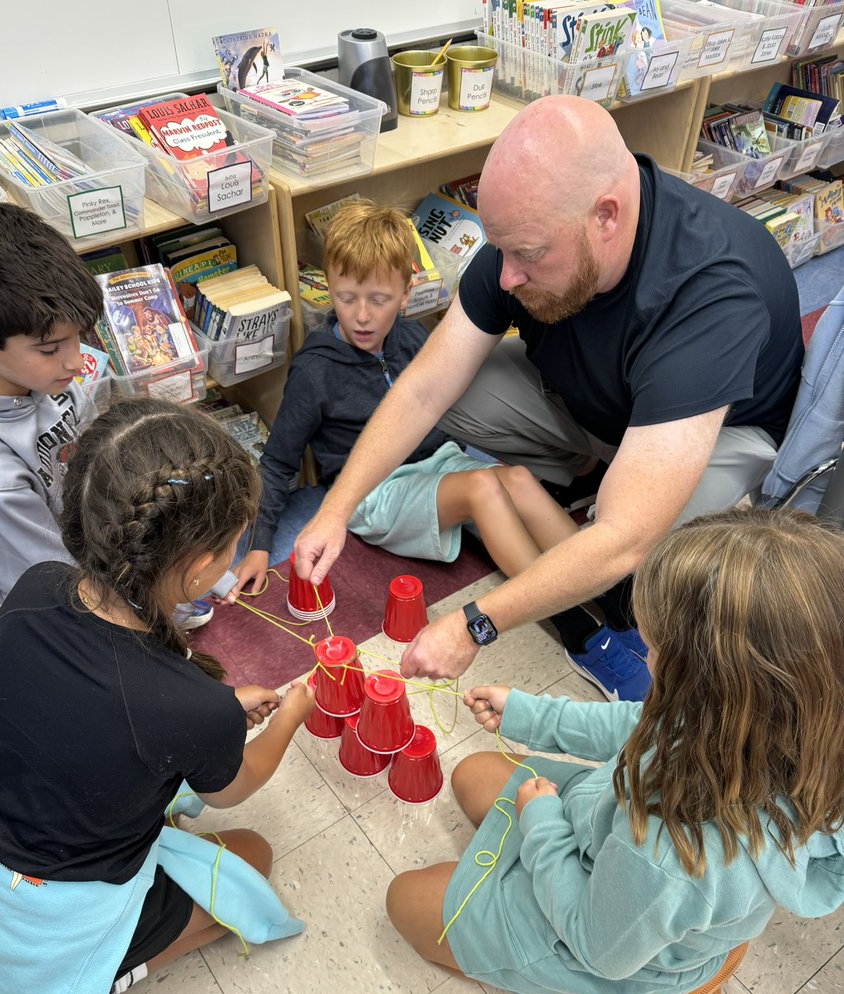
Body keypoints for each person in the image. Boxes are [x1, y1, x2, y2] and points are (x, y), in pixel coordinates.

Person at [294, 95, 804, 686]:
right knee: (456, 383)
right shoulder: (527, 237)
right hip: (604, 407)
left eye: (529, 255)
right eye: (500, 249)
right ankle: (587, 473)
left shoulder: (709, 294)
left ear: (606, 217)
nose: (507, 276)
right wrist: (336, 509)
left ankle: (608, 500)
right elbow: (425, 388)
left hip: (717, 435)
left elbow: (623, 538)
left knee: (654, 570)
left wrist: (474, 624)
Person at [0, 399, 315, 994]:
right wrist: (297, 708)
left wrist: (210, 708)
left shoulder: (35, 588)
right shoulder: (186, 708)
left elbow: (96, 717)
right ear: (199, 568)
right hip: (64, 916)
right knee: (253, 860)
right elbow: (235, 785)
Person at [385, 508, 844, 994]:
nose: (643, 655)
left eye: (653, 649)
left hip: (605, 936)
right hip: (609, 845)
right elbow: (640, 726)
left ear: (709, 685)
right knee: (473, 773)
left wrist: (542, 826)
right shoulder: (778, 726)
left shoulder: (670, 849)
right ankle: (693, 954)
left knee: (403, 901)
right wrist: (531, 716)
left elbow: (598, 944)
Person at [231, 201, 648, 695]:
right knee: (483, 488)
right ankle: (580, 632)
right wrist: (258, 546)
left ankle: (619, 596)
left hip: (437, 463)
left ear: (407, 294)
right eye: (346, 298)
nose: (362, 316)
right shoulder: (314, 369)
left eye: (379, 299)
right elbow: (277, 463)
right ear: (328, 291)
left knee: (514, 478)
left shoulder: (411, 337)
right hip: (371, 494)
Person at [0, 201, 218, 629]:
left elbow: (102, 460)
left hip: (104, 558)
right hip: (62, 613)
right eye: (52, 348)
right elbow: (59, 582)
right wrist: (148, 606)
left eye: (78, 337)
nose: (76, 363)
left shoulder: (34, 371)